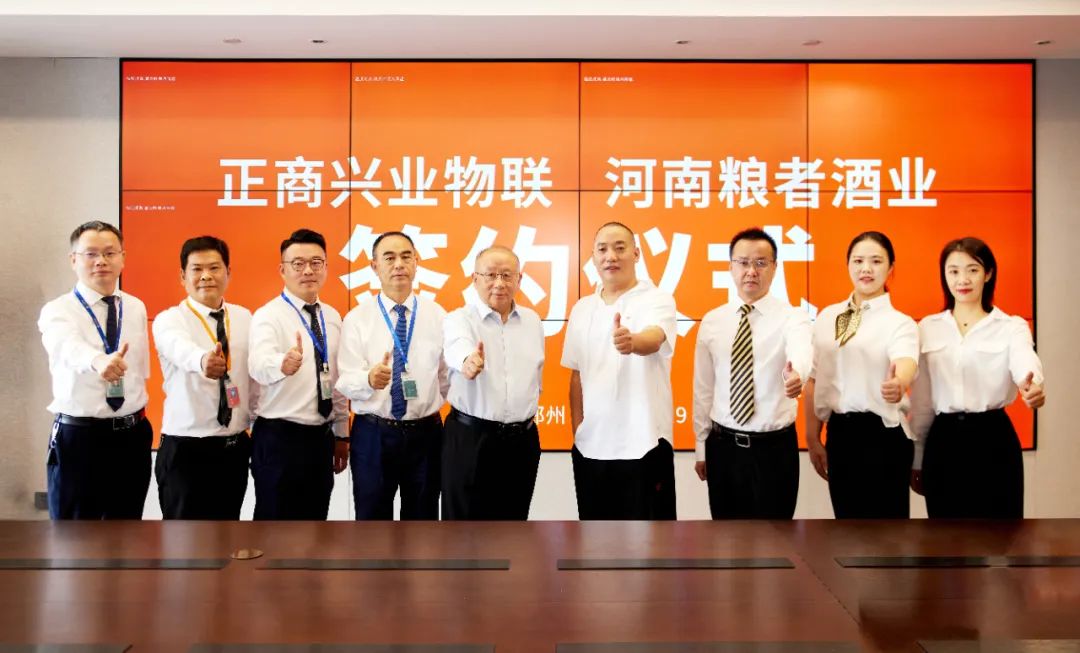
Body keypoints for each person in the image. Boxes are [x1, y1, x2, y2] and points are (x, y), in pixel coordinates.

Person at [909, 237, 1045, 518]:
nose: (963, 279)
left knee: (1001, 535)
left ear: (988, 273)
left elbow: (1025, 363)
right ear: (944, 275)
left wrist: (1032, 387)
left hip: (993, 440)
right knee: (945, 537)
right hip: (943, 441)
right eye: (954, 271)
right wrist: (918, 457)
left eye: (972, 269)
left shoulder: (1011, 326)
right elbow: (921, 402)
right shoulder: (927, 328)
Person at [692, 227, 812, 519]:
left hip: (774, 449)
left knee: (777, 537)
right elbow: (703, 388)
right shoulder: (713, 321)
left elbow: (801, 351)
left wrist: (797, 375)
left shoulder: (792, 317)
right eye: (743, 262)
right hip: (723, 448)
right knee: (725, 537)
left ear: (774, 267)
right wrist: (700, 446)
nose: (751, 271)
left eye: (761, 263)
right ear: (731, 267)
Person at [562, 221, 678, 520]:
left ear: (636, 253)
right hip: (591, 449)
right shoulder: (582, 308)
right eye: (602, 249)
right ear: (593, 257)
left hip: (645, 444)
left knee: (652, 542)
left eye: (619, 248)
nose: (610, 256)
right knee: (594, 541)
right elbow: (576, 374)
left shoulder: (656, 299)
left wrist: (633, 342)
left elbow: (655, 337)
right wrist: (578, 431)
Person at [38, 220, 152, 519]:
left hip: (132, 435)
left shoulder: (135, 307)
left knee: (127, 528)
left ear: (122, 258)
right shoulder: (58, 310)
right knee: (74, 534)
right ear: (73, 260)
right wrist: (98, 360)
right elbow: (66, 345)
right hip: (80, 437)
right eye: (91, 254)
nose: (101, 261)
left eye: (110, 253)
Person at [805, 231, 918, 519]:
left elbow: (905, 360)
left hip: (884, 436)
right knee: (846, 529)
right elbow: (814, 378)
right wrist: (812, 436)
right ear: (848, 265)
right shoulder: (827, 317)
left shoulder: (899, 323)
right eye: (858, 261)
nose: (866, 269)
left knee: (889, 534)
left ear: (890, 268)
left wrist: (899, 382)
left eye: (876, 261)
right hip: (841, 434)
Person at [337, 231, 448, 520]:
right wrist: (368, 380)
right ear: (374, 266)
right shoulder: (357, 318)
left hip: (426, 434)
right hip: (374, 434)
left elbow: (445, 377)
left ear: (416, 262)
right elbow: (345, 380)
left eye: (406, 256)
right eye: (389, 258)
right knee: (372, 524)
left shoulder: (438, 315)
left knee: (423, 522)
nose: (399, 264)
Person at [152, 236, 256, 520]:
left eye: (214, 268)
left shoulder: (244, 318)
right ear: (182, 276)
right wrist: (202, 361)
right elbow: (178, 347)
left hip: (234, 447)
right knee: (184, 538)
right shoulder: (169, 319)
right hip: (186, 449)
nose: (206, 276)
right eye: (197, 269)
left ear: (228, 272)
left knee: (227, 533)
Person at [248, 228, 348, 520]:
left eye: (316, 263)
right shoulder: (268, 315)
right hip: (279, 437)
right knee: (273, 525)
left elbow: (336, 380)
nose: (308, 271)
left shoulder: (332, 316)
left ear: (326, 267)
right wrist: (281, 364)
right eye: (298, 263)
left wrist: (342, 434)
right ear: (283, 270)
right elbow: (257, 364)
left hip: (321, 437)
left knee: (316, 523)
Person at [441, 246, 544, 520]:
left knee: (513, 526)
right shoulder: (458, 319)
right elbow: (458, 347)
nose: (499, 283)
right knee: (463, 529)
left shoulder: (532, 321)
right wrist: (468, 361)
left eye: (507, 275)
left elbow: (536, 375)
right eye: (491, 275)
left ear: (519, 279)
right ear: (475, 279)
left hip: (521, 441)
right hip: (471, 439)